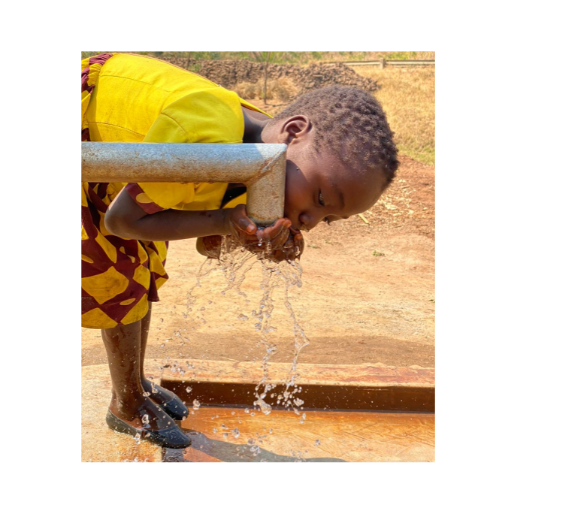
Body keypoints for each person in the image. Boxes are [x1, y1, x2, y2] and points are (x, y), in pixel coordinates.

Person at [81, 53, 399, 448]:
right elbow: (122, 223)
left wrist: (246, 236)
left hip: (126, 161)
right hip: (85, 134)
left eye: (328, 218)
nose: (311, 221)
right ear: (294, 131)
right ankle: (126, 403)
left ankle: (135, 381)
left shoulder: (267, 152)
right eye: (319, 198)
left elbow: (203, 241)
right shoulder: (211, 141)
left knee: (143, 263)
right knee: (120, 276)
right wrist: (220, 222)